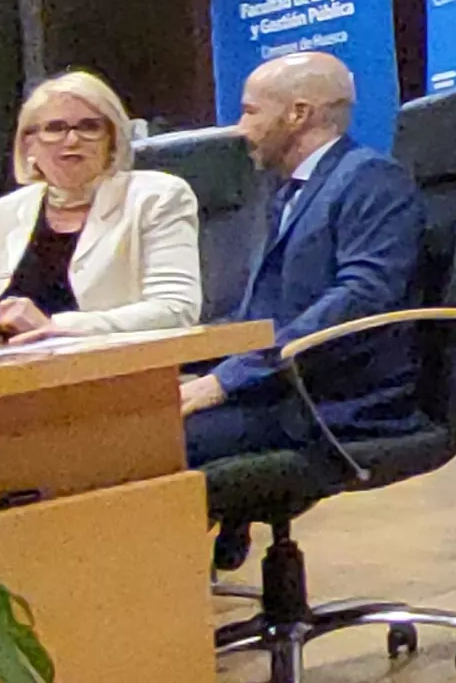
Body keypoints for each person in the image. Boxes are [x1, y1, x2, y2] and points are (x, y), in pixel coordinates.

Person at [181, 52, 423, 471]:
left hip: (336, 402)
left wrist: (225, 380)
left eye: (250, 111)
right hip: (282, 388)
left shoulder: (369, 179)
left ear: (298, 114)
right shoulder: (287, 192)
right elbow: (264, 313)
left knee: (151, 447)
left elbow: (360, 298)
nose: (240, 129)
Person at [0, 70, 203, 346]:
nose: (72, 140)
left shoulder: (156, 196)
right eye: (55, 128)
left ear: (112, 140)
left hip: (119, 374)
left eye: (89, 127)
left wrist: (57, 327)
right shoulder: (6, 211)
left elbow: (176, 310)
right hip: (18, 379)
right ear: (29, 143)